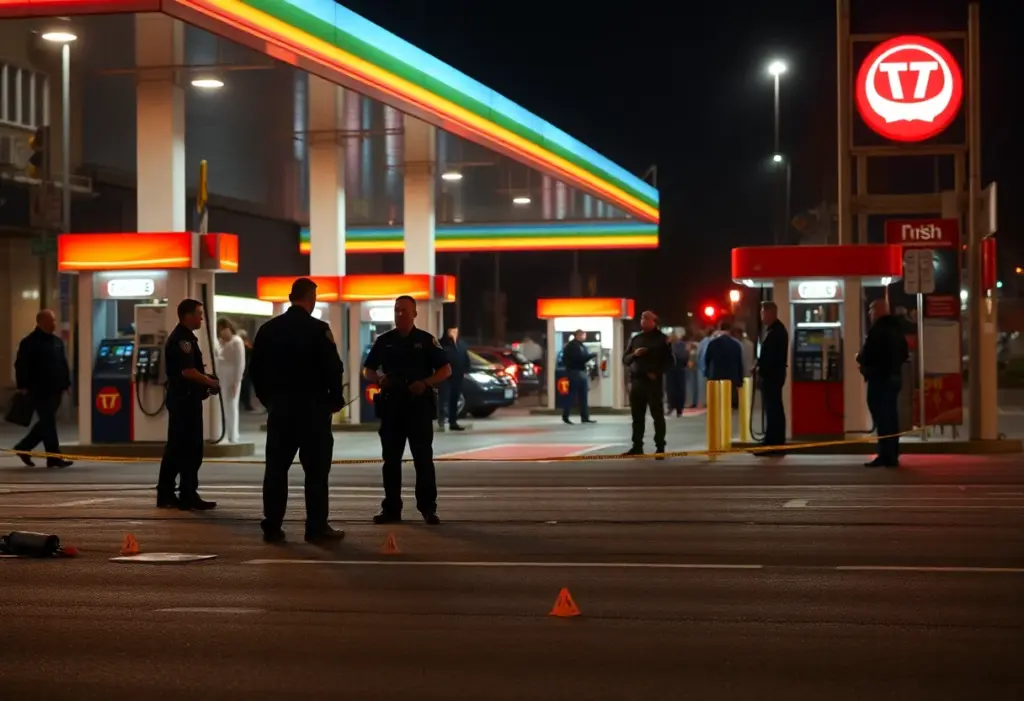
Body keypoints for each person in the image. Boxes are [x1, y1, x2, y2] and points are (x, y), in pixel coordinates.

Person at [249, 277, 346, 543]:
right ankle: (315, 527)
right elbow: (333, 368)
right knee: (315, 472)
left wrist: (268, 400)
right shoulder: (318, 329)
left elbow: (255, 370)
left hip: (280, 410)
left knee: (276, 470)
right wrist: (335, 400)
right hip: (313, 411)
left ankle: (272, 526)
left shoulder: (268, 330)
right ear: (311, 298)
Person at [363, 295, 452, 525]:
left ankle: (428, 509)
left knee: (423, 460)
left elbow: (445, 370)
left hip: (418, 408)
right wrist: (379, 378)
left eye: (404, 310)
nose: (399, 314)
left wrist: (426, 382)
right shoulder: (385, 341)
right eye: (396, 310)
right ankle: (391, 509)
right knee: (391, 461)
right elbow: (368, 370)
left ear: (414, 313)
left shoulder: (426, 340)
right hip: (392, 408)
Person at [156, 299, 220, 510]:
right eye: (199, 313)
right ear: (187, 315)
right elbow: (187, 372)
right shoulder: (182, 340)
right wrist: (211, 382)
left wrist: (205, 383)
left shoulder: (187, 339)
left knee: (183, 448)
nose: (202, 318)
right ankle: (180, 494)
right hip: (184, 403)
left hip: (187, 400)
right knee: (185, 448)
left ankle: (178, 493)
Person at [12, 310, 73, 468]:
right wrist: (23, 386)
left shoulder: (57, 342)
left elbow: (63, 364)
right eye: (51, 321)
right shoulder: (29, 342)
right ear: (41, 322)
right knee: (49, 422)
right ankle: (54, 457)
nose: (54, 324)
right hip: (38, 390)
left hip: (56, 389)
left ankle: (23, 447)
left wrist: (66, 384)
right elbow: (21, 365)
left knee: (46, 423)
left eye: (54, 320)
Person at [858, 299, 909, 468]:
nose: (869, 314)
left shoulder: (878, 330)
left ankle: (885, 455)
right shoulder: (896, 329)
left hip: (879, 378)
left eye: (871, 310)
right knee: (891, 417)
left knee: (882, 418)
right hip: (894, 377)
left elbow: (869, 354)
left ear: (878, 311)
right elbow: (904, 353)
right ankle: (893, 453)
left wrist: (860, 360)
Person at [623, 310, 673, 456]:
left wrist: (656, 372)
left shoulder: (662, 339)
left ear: (654, 322)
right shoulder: (636, 339)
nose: (643, 321)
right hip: (637, 381)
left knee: (657, 415)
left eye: (646, 318)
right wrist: (634, 354)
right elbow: (625, 359)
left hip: (653, 382)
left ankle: (660, 446)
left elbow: (670, 362)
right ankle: (637, 446)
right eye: (642, 318)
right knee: (637, 416)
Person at [755, 301, 789, 454]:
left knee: (773, 409)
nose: (762, 316)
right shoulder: (775, 330)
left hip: (772, 377)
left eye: (763, 313)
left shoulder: (777, 332)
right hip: (772, 376)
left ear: (770, 313)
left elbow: (772, 356)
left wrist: (761, 365)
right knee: (772, 409)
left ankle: (774, 442)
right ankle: (772, 440)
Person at [216, 317, 245, 443]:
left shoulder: (237, 341)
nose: (223, 332)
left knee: (231, 406)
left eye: (224, 328)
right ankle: (224, 432)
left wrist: (237, 381)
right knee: (222, 406)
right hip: (221, 377)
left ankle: (232, 434)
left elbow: (240, 363)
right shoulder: (219, 342)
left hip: (232, 377)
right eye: (221, 329)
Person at [704, 318, 744, 409]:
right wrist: (740, 380)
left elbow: (707, 359)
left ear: (719, 328)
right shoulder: (736, 344)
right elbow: (739, 363)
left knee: (717, 403)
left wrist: (707, 374)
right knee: (730, 403)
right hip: (732, 376)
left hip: (716, 375)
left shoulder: (713, 343)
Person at [561, 330, 596, 425]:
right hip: (574, 372)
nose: (584, 337)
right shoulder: (572, 346)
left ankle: (585, 417)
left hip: (581, 372)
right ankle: (566, 416)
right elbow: (580, 358)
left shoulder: (581, 346)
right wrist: (592, 355)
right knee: (572, 395)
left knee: (583, 395)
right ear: (578, 335)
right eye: (583, 335)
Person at [439, 327, 469, 431]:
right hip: (445, 376)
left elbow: (466, 358)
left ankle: (453, 422)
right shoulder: (441, 344)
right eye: (451, 331)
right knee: (443, 399)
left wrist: (465, 369)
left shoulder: (462, 345)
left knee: (454, 399)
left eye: (455, 331)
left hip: (457, 375)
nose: (453, 333)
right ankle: (441, 421)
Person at [666, 332, 690, 417]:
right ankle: (677, 408)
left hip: (673, 370)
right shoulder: (682, 345)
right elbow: (686, 357)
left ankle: (674, 407)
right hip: (677, 370)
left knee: (673, 389)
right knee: (678, 389)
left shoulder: (670, 346)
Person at [237, 329, 255, 412]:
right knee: (244, 387)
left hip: (246, 370)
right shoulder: (242, 346)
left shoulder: (246, 347)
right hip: (243, 369)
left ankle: (246, 404)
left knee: (245, 387)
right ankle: (245, 404)